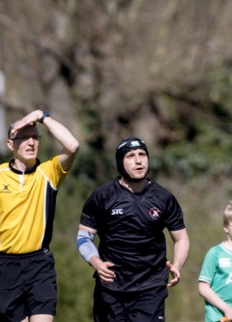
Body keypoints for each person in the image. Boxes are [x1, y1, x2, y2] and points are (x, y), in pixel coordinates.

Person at [0, 108, 80, 322]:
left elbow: (73, 145)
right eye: (23, 137)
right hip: (5, 266)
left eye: (35, 137)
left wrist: (41, 116)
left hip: (40, 263)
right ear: (10, 144)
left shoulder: (48, 173)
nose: (31, 143)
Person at [77, 136, 190, 322]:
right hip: (111, 288)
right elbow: (83, 237)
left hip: (151, 288)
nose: (138, 161)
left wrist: (177, 265)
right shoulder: (102, 196)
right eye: (130, 156)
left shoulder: (164, 198)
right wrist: (96, 263)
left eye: (142, 154)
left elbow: (182, 239)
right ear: (120, 162)